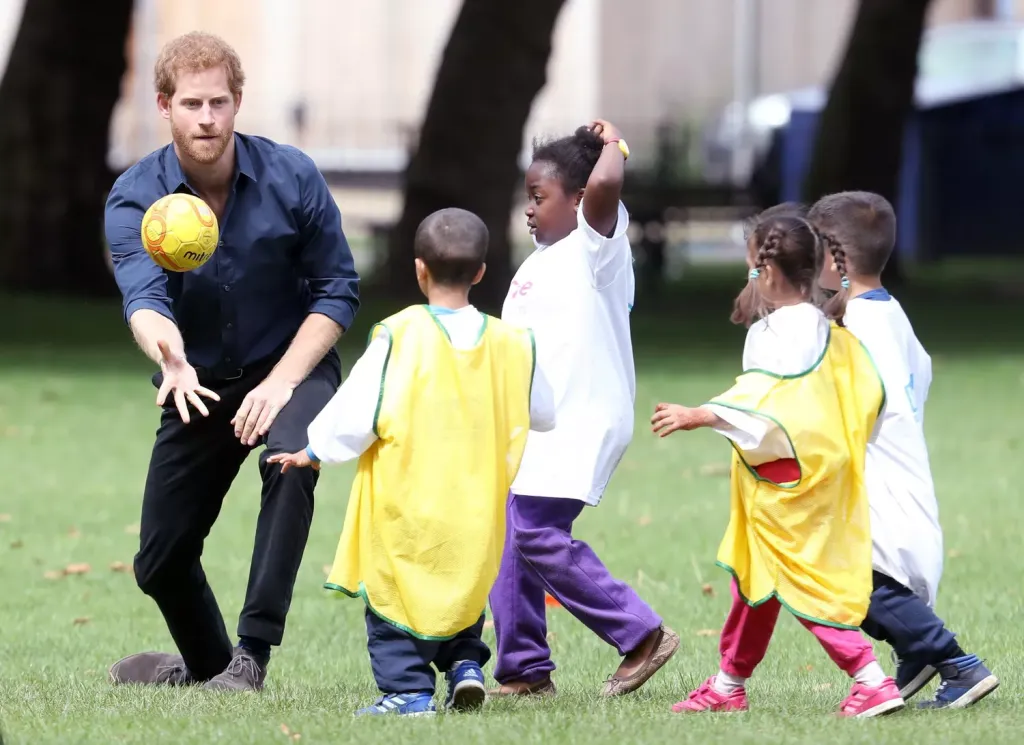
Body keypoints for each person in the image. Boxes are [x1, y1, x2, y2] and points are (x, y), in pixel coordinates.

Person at [104, 31, 360, 692]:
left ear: (238, 101)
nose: (208, 117)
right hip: (198, 380)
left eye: (219, 101)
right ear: (165, 106)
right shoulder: (136, 198)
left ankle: (251, 653)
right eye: (192, 103)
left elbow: (337, 289)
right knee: (158, 562)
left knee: (290, 461)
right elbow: (143, 297)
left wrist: (281, 383)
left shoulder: (291, 175)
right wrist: (173, 360)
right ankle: (208, 666)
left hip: (291, 364)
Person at [270, 208, 556, 717]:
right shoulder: (513, 342)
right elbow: (544, 413)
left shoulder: (400, 335)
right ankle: (466, 665)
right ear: (482, 272)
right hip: (478, 506)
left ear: (419, 269)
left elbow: (358, 410)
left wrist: (314, 451)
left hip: (407, 504)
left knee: (393, 601)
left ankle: (407, 689)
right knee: (464, 584)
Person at [652, 213, 905, 718]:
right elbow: (861, 393)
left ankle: (870, 679)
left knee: (799, 581)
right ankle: (728, 683)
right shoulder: (828, 326)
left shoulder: (773, 333)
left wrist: (700, 414)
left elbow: (766, 402)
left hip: (783, 481)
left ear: (764, 271)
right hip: (816, 473)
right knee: (754, 583)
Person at [489, 120, 678, 699]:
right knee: (511, 535)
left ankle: (641, 633)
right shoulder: (537, 263)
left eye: (540, 198)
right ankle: (524, 668)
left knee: (536, 533)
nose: (529, 210)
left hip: (582, 421)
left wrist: (616, 141)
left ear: (577, 200)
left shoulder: (596, 250)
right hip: (537, 425)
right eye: (527, 197)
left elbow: (607, 186)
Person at [809, 191, 999, 709]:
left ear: (833, 256)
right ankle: (914, 654)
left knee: (848, 582)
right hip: (905, 476)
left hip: (877, 489)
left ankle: (958, 664)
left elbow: (847, 404)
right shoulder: (888, 312)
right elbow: (922, 373)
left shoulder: (853, 328)